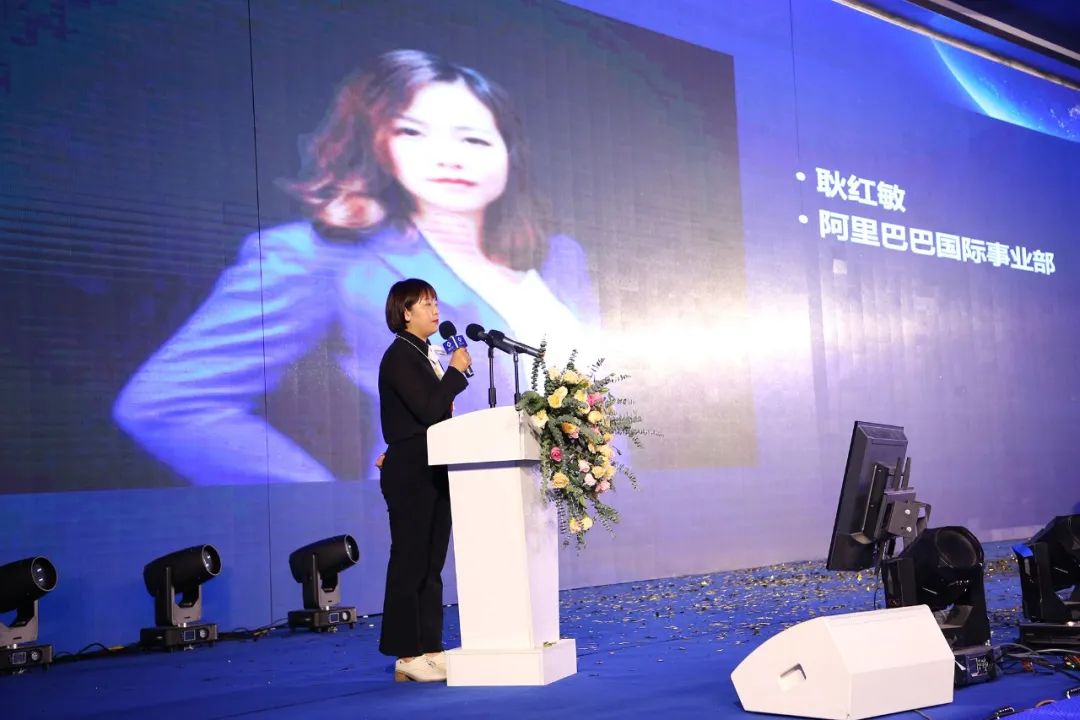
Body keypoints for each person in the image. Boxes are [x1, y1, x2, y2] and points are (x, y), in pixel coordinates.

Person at [112, 49, 599, 485]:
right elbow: (169, 403)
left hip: (564, 505)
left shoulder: (559, 257)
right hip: (442, 504)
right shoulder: (319, 254)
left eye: (473, 139)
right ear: (377, 144)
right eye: (412, 132)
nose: (449, 158)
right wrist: (329, 497)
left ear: (509, 151)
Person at [377, 278, 469, 682]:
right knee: (409, 562)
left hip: (434, 466)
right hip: (411, 471)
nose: (435, 310)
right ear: (405, 312)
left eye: (435, 302)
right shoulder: (400, 355)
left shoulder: (423, 352)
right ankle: (406, 653)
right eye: (426, 304)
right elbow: (429, 410)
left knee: (432, 564)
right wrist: (455, 371)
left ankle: (431, 647)